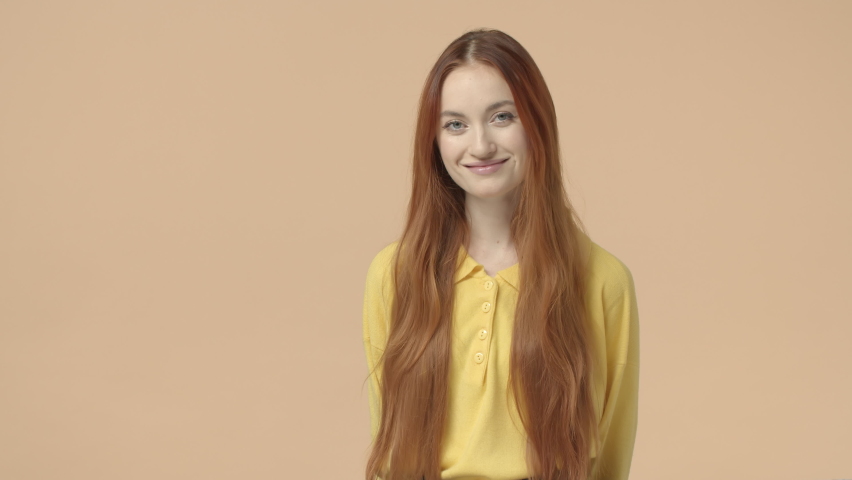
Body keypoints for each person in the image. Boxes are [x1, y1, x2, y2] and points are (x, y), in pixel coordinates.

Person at [362, 28, 639, 480]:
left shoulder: (603, 281)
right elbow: (390, 448)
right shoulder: (394, 274)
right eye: (455, 124)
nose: (480, 146)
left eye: (502, 117)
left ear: (537, 123)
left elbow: (610, 457)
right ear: (434, 141)